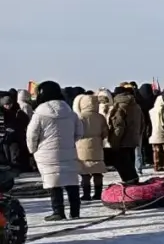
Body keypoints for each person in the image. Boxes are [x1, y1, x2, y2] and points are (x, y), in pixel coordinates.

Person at [26, 81, 85, 221]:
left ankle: (58, 211)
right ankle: (75, 211)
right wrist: (69, 142)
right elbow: (80, 132)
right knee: (71, 181)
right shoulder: (70, 112)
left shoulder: (39, 114)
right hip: (68, 151)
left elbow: (32, 135)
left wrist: (33, 150)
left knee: (53, 181)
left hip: (47, 153)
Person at [104, 84, 145, 185]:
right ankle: (134, 182)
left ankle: (129, 182)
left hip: (122, 140)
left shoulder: (120, 107)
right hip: (133, 139)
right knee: (130, 163)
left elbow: (118, 126)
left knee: (122, 164)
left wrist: (114, 143)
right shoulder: (136, 105)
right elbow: (142, 123)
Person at [74, 91, 108, 199]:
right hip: (97, 146)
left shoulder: (80, 117)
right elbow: (105, 132)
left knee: (85, 172)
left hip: (82, 147)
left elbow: (75, 132)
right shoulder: (100, 117)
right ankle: (98, 193)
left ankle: (86, 194)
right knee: (97, 172)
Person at [1, 90, 30, 173]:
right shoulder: (3, 112)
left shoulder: (18, 112)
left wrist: (16, 129)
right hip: (6, 138)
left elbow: (25, 121)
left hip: (15, 138)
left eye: (9, 104)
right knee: (7, 155)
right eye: (6, 105)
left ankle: (15, 169)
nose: (8, 106)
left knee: (14, 154)